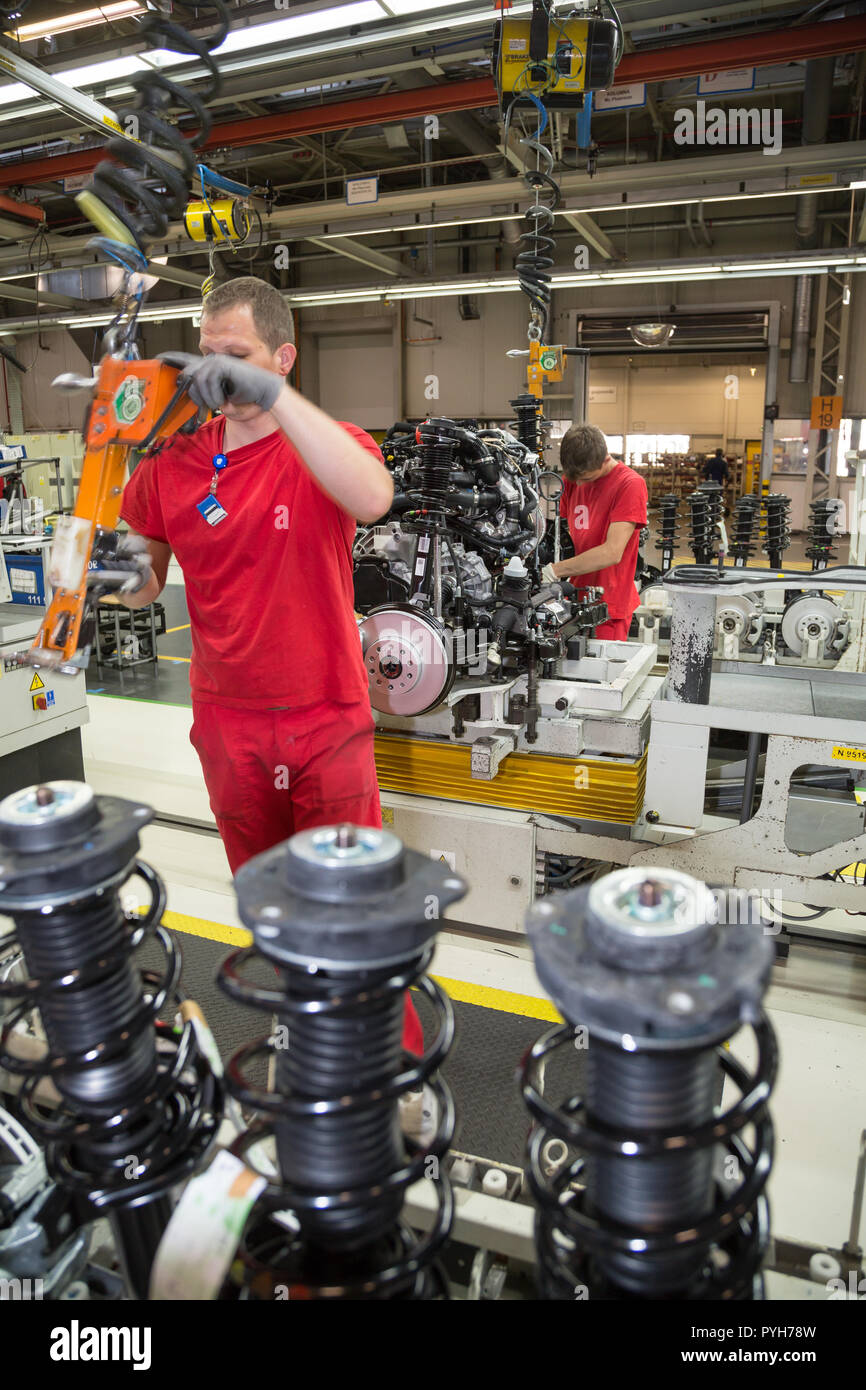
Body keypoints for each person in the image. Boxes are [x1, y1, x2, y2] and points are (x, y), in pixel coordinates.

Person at [115, 275, 424, 1055]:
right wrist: (95, 576)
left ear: (283, 357)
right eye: (209, 355)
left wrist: (275, 399)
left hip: (325, 718)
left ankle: (394, 1067)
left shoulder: (324, 444)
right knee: (272, 903)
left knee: (352, 907)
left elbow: (374, 496)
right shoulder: (172, 465)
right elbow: (142, 578)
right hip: (228, 723)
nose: (220, 374)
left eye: (240, 356)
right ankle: (309, 1034)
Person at [541, 423, 648, 641]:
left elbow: (612, 552)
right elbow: (560, 535)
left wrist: (554, 571)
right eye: (575, 479)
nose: (580, 483)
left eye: (587, 478)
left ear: (605, 459)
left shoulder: (630, 484)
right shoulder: (574, 482)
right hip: (573, 599)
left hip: (608, 606)